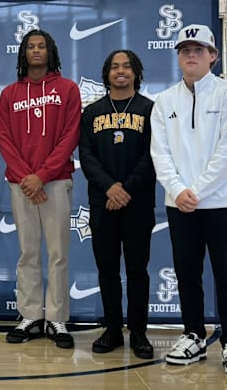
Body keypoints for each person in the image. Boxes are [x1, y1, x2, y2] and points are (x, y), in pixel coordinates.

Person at [150, 24, 227, 377]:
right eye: (184, 49)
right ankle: (192, 334)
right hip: (181, 206)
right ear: (178, 56)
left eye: (199, 49)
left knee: (226, 274)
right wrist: (178, 191)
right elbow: (160, 154)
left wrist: (198, 190)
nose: (191, 54)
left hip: (221, 203)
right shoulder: (164, 101)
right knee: (186, 273)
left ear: (213, 56)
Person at [0, 29, 80, 349]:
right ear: (23, 53)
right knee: (28, 252)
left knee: (58, 253)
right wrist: (26, 178)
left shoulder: (68, 89)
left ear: (50, 51)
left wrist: (42, 176)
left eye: (41, 46)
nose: (35, 51)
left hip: (56, 181)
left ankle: (57, 318)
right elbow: (4, 138)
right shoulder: (9, 94)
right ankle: (30, 314)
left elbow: (71, 135)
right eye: (30, 46)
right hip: (21, 183)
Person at [79, 50, 156, 359]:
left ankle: (138, 331)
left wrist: (126, 189)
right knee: (107, 269)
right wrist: (110, 188)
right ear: (107, 73)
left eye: (127, 66)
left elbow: (153, 155)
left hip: (137, 203)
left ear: (136, 72)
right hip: (103, 203)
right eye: (115, 67)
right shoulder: (93, 112)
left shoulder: (151, 109)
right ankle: (112, 328)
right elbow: (86, 155)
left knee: (138, 270)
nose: (120, 71)